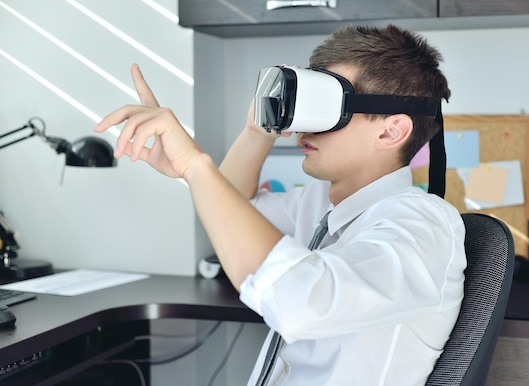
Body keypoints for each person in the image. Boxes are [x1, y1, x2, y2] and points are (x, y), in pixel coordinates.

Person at [95, 24, 466, 386]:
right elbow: (232, 213)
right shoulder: (319, 201)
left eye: (326, 108)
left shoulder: (422, 224)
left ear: (390, 131)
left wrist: (196, 165)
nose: (304, 127)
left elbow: (303, 302)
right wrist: (259, 129)